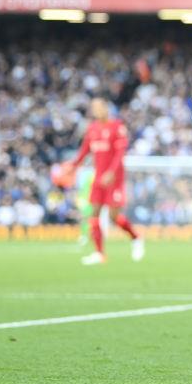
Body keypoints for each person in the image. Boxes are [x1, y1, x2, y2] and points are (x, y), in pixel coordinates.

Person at [62, 98, 144, 265]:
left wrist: (111, 172)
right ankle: (99, 254)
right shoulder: (92, 129)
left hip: (114, 179)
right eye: (94, 108)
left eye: (100, 107)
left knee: (114, 217)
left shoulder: (117, 127)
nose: (97, 111)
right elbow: (84, 151)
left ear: (106, 108)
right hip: (99, 178)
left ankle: (136, 238)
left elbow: (120, 154)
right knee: (94, 215)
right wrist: (73, 166)